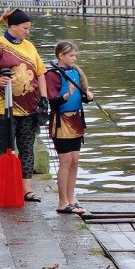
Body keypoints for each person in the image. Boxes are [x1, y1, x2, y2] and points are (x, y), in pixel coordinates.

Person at [0, 9, 47, 202]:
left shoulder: (29, 46)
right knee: (5, 148)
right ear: (13, 26)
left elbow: (41, 73)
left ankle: (27, 189)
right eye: (25, 28)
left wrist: (43, 97)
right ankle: (5, 184)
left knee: (27, 147)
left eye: (29, 28)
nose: (28, 32)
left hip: (29, 108)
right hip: (3, 107)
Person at [45, 41, 94, 215]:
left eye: (75, 55)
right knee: (65, 162)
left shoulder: (77, 72)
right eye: (71, 55)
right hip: (61, 121)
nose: (74, 58)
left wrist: (88, 96)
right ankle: (62, 201)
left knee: (74, 161)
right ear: (61, 56)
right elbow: (52, 101)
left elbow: (83, 96)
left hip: (76, 121)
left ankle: (71, 199)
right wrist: (66, 95)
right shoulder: (52, 75)